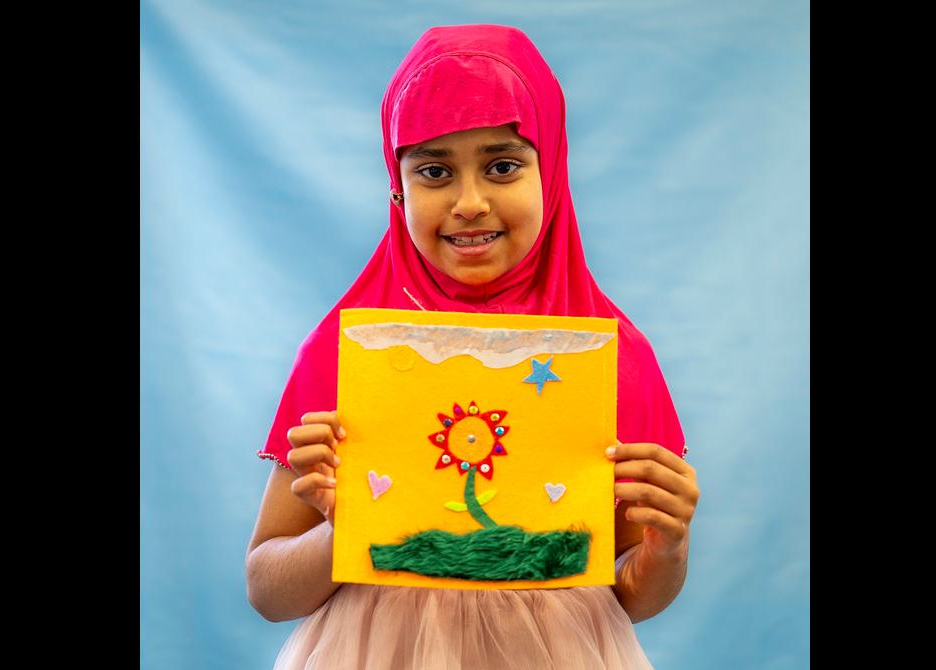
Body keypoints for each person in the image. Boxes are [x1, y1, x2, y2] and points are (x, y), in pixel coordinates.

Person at [246, 24, 699, 669]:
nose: (468, 202)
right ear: (398, 185)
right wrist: (345, 533)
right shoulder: (349, 349)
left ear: (554, 171)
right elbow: (267, 588)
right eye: (434, 171)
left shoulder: (612, 356)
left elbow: (626, 595)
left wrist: (667, 550)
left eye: (503, 165)